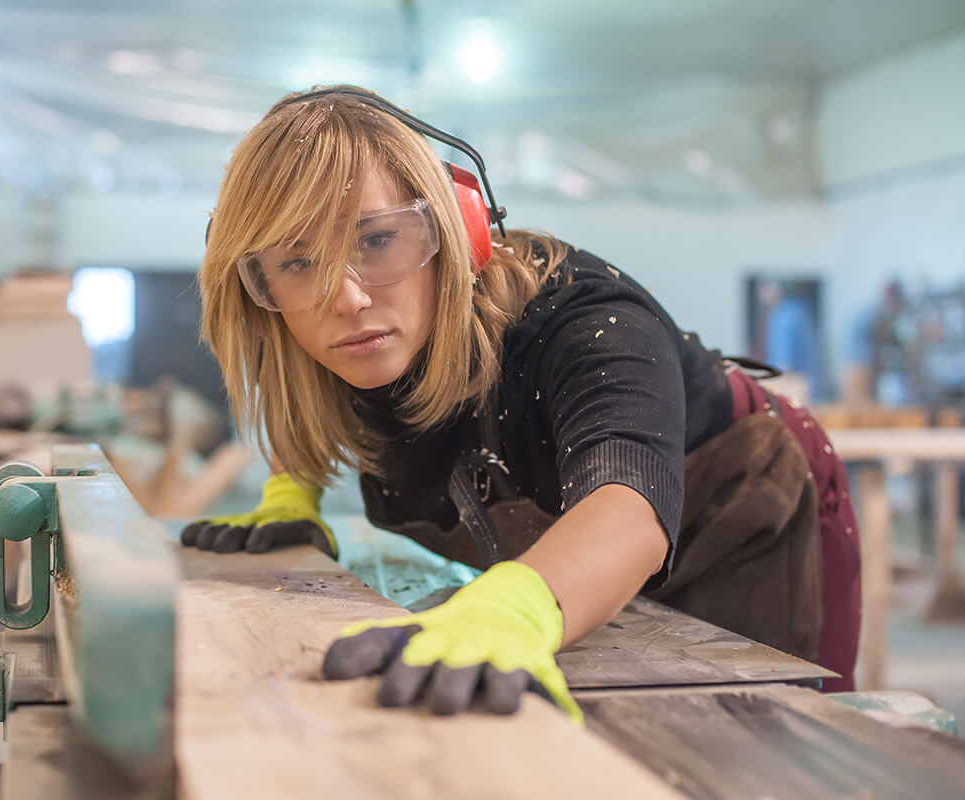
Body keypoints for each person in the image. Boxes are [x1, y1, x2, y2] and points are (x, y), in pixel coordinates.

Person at [183, 85, 861, 718]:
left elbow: (626, 505)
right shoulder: (356, 337)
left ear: (453, 230)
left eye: (377, 239)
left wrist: (515, 608)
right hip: (588, 558)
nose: (349, 297)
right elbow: (311, 398)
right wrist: (289, 501)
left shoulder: (584, 324)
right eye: (298, 262)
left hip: (751, 511)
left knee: (761, 736)